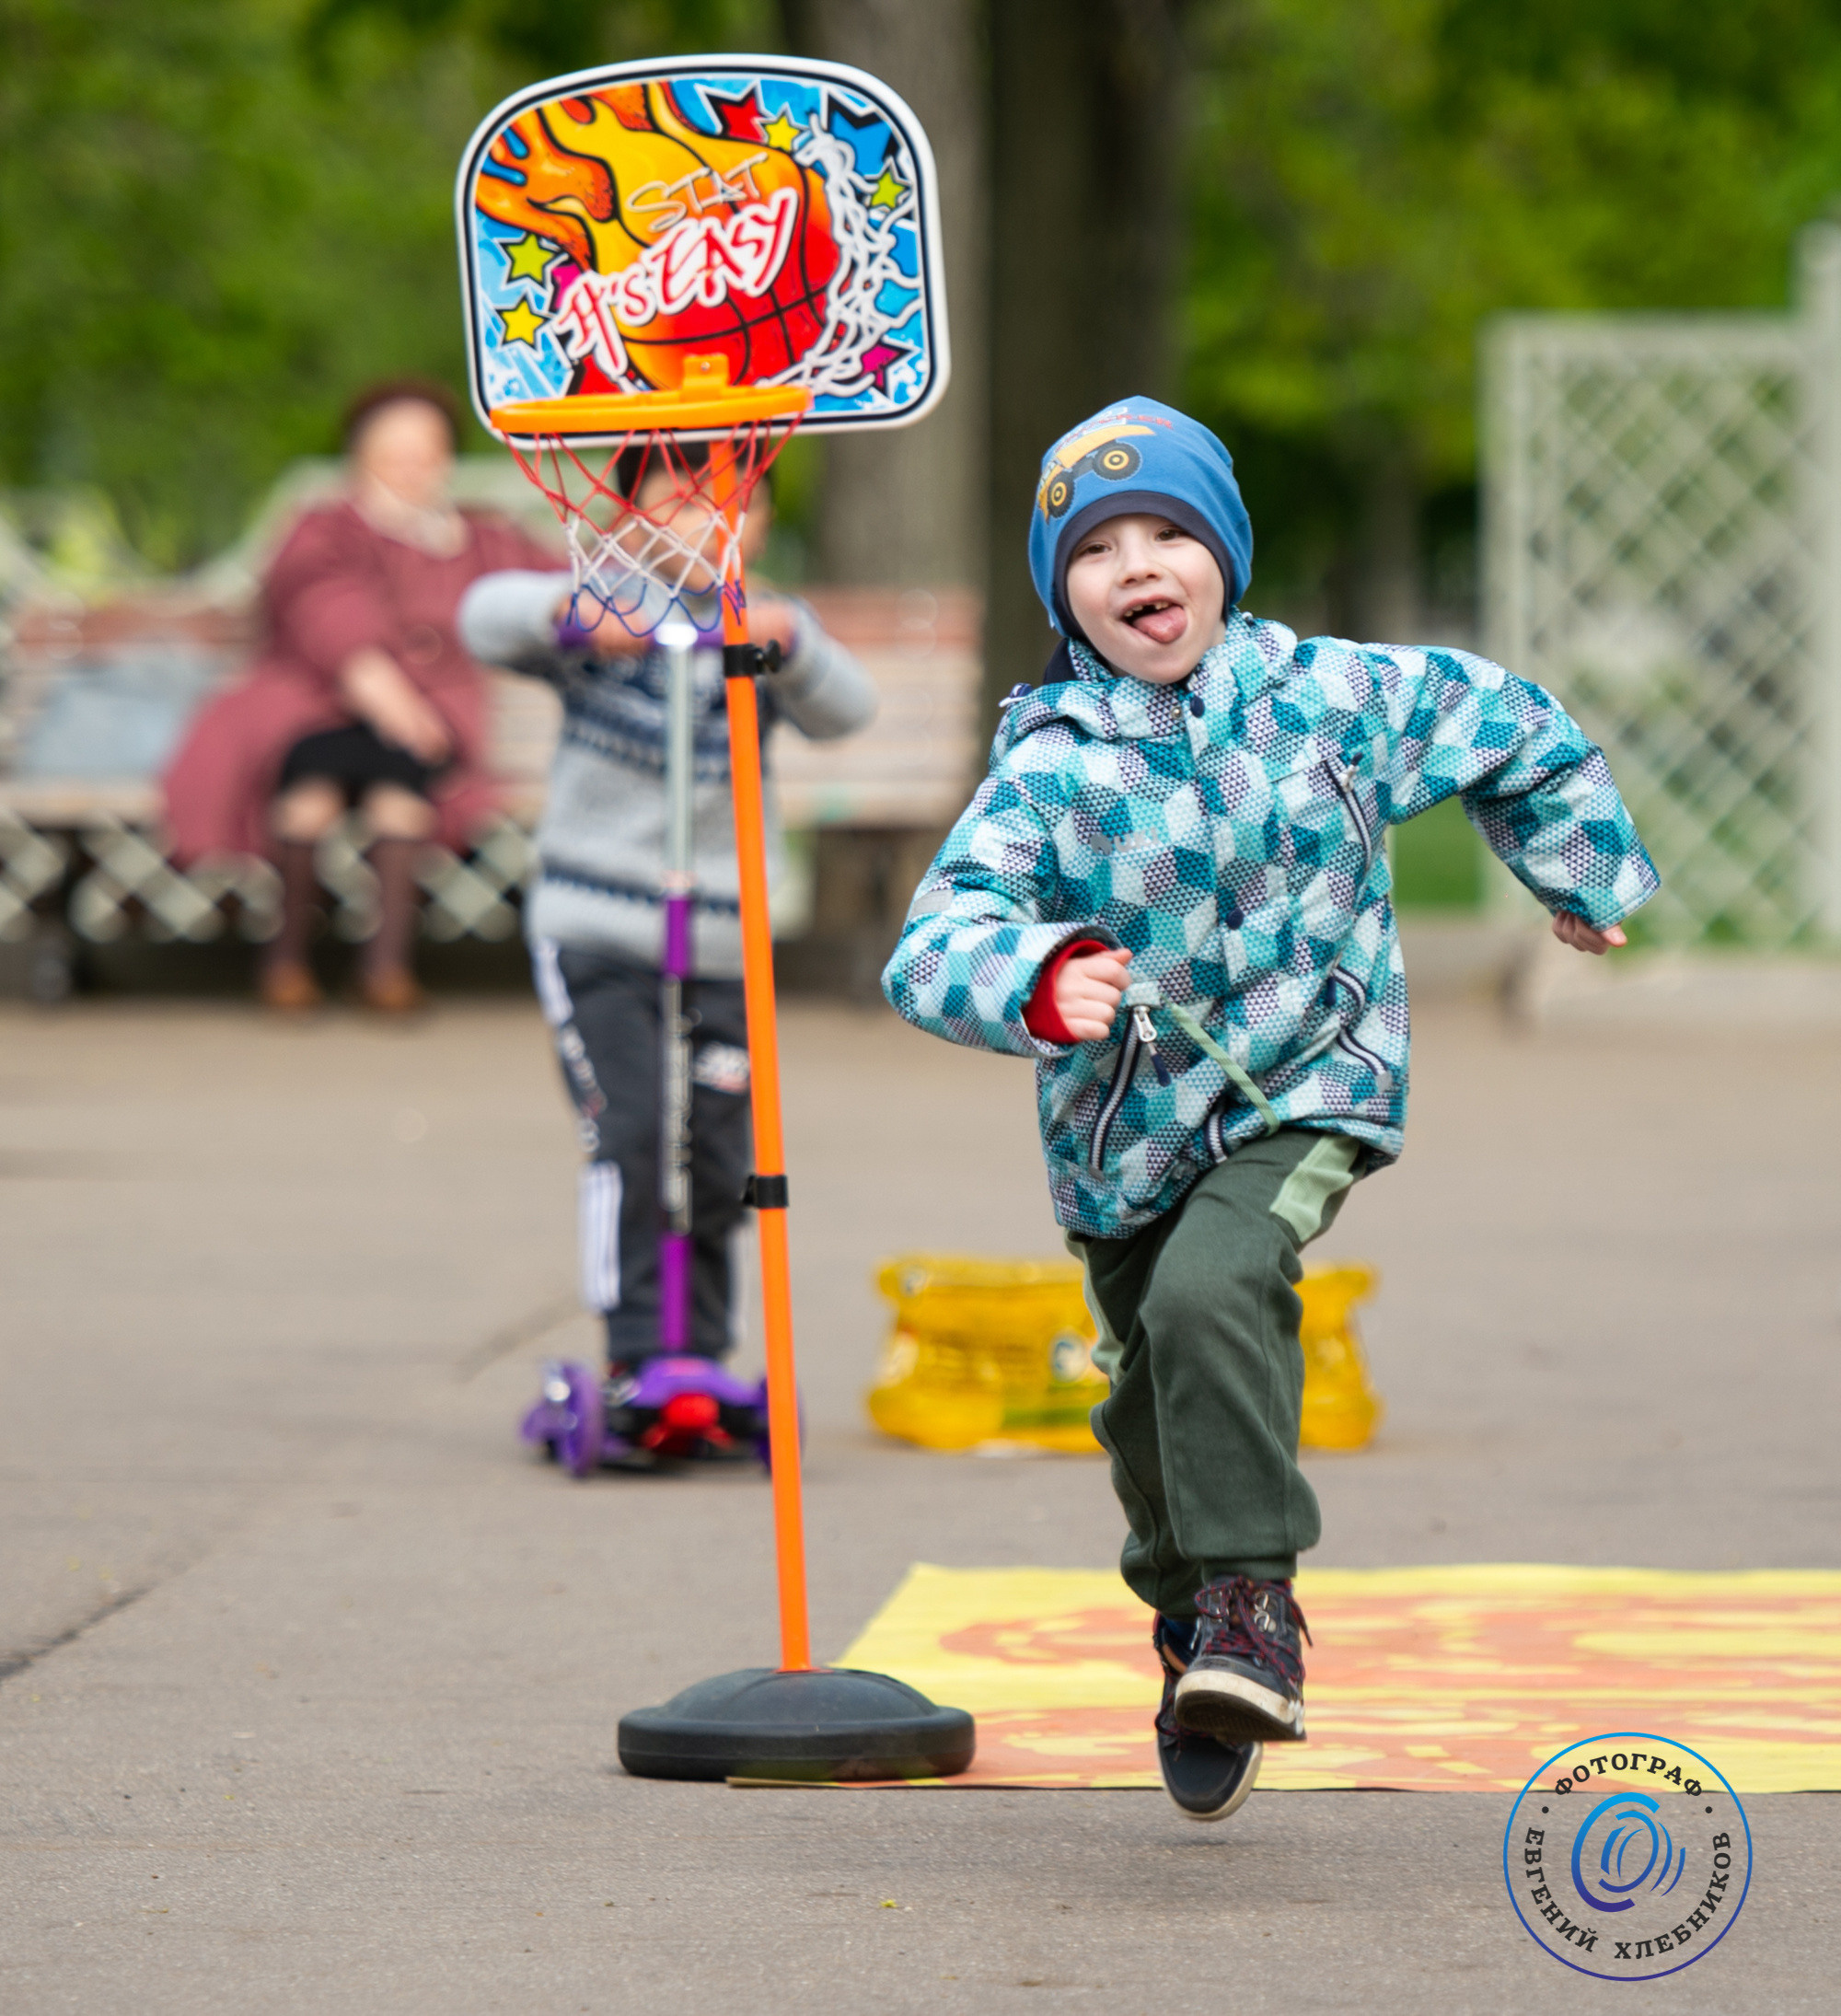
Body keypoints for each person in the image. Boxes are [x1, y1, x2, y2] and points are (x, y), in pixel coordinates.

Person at [882, 396, 1657, 1823]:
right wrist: (1040, 975)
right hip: (1125, 1133)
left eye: (1168, 531)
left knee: (1214, 1288)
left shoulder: (1335, 700)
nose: (1138, 566)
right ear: (1063, 593)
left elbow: (1513, 726)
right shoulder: (1050, 767)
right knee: (1144, 1387)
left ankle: (1253, 1602)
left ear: (1225, 554)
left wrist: (1579, 873)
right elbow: (935, 937)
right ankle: (1190, 1617)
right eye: (1097, 548)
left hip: (1315, 1077)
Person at [458, 459, 874, 1372]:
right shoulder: (603, 613)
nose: (704, 520)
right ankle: (636, 1352)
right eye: (677, 500)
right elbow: (482, 617)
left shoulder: (762, 624)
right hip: (597, 932)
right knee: (635, 1136)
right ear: (631, 517)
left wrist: (790, 644)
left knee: (722, 1156)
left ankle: (704, 1356)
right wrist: (581, 622)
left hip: (723, 940)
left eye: (731, 501)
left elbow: (849, 710)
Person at [163, 379, 556, 1012]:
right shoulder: (325, 526)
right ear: (360, 455)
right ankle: (287, 961)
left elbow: (562, 579)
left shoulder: (480, 536)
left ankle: (385, 968)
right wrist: (388, 697)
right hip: (317, 709)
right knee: (308, 798)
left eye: (425, 449)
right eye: (395, 449)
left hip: (430, 721)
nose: (412, 463)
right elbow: (323, 612)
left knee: (400, 799)